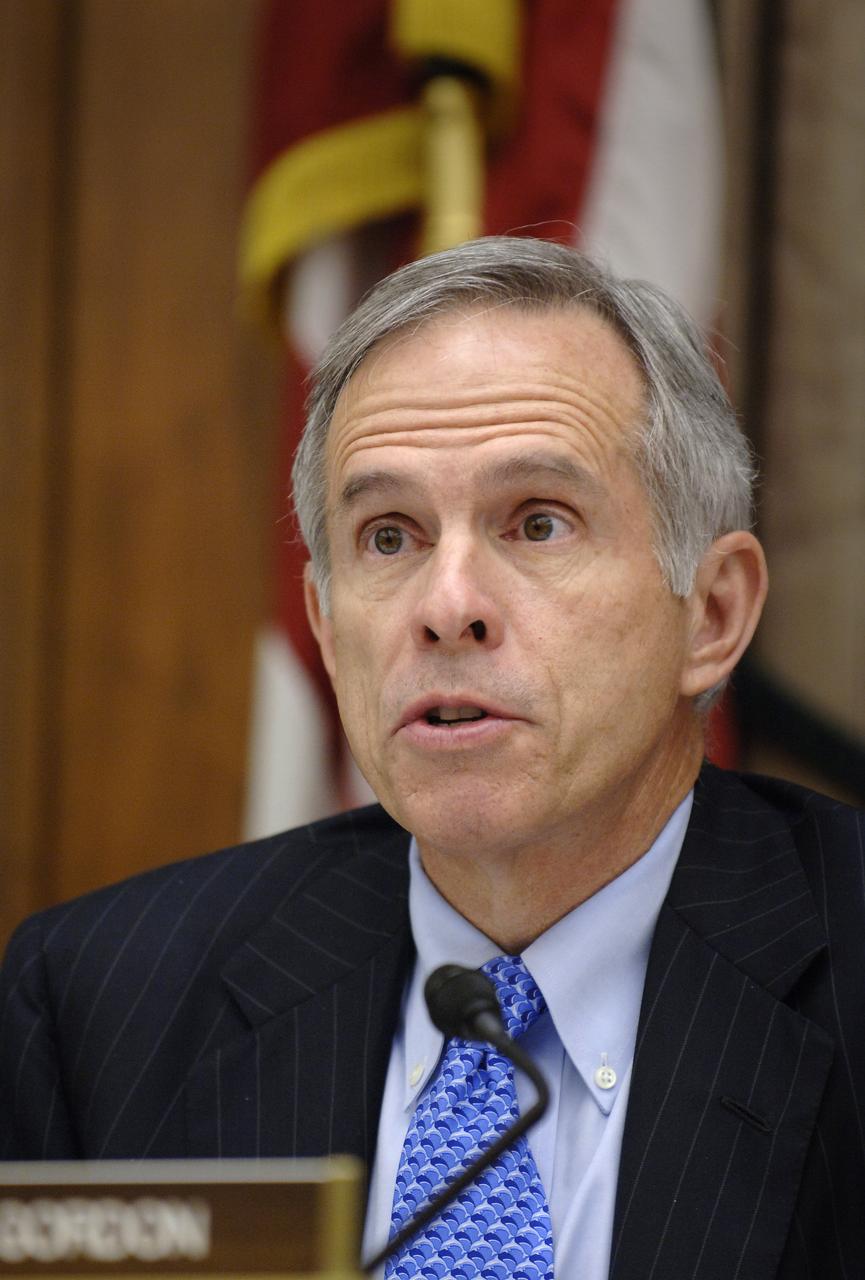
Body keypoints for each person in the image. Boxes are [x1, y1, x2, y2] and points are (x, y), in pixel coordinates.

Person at [1, 237, 863, 1280]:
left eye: (537, 522)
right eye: (389, 537)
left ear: (711, 614)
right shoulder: (101, 1003)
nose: (447, 605)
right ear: (323, 626)